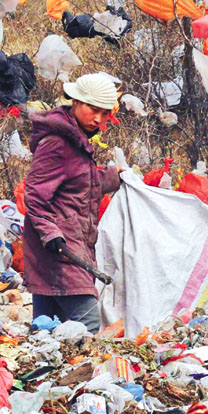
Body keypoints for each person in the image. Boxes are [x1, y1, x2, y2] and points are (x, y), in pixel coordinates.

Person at [23, 73, 121, 334]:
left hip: (64, 243)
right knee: (87, 323)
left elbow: (79, 184)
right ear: (75, 101)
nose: (98, 119)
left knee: (45, 327)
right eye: (93, 109)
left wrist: (113, 177)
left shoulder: (75, 141)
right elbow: (35, 194)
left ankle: (42, 360)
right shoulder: (57, 143)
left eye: (104, 113)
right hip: (59, 248)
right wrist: (50, 233)